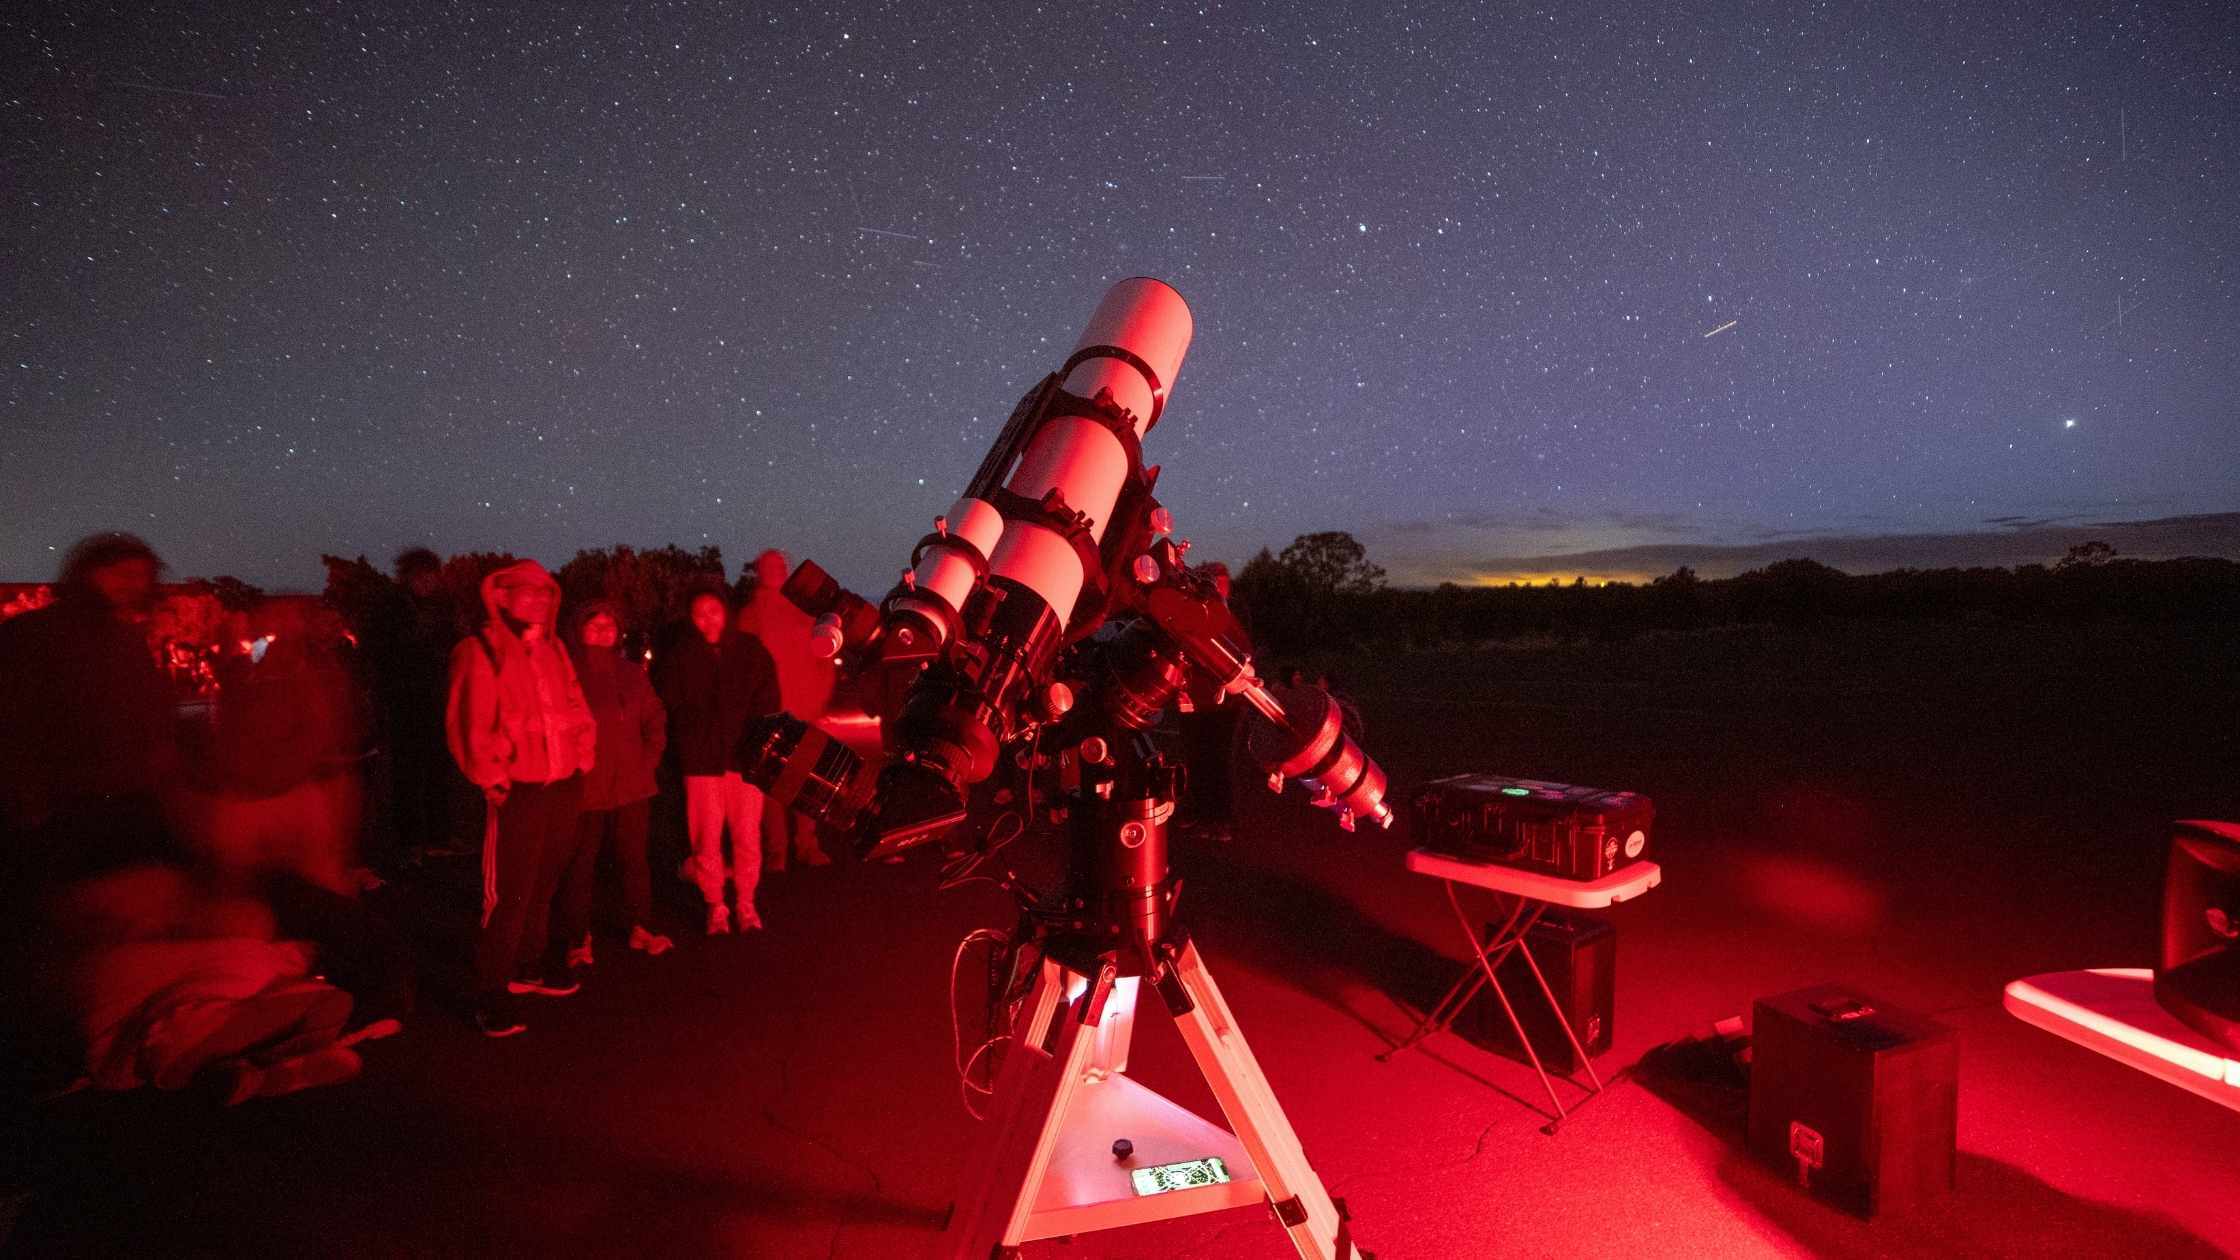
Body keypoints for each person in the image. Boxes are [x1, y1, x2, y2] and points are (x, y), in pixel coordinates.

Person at [445, 560, 595, 1038]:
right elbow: (469, 720)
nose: (538, 599)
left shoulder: (554, 649)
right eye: (526, 592)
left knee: (544, 882)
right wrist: (491, 776)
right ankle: (488, 992)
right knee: (506, 894)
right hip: (519, 790)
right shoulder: (480, 650)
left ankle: (528, 966)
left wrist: (581, 758)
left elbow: (575, 706)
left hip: (561, 783)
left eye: (545, 592)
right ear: (501, 596)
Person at [0, 533, 179, 874]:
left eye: (141, 576)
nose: (134, 585)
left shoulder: (127, 640)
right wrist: (25, 791)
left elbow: (151, 710)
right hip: (60, 801)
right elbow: (11, 717)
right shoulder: (31, 634)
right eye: (122, 574)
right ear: (88, 573)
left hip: (126, 797)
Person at [656, 590, 778, 935]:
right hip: (701, 764)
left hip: (744, 761)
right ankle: (715, 905)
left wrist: (758, 746)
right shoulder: (681, 656)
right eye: (699, 614)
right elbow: (669, 707)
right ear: (690, 619)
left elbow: (768, 703)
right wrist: (687, 744)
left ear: (725, 613)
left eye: (713, 611)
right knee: (705, 838)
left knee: (747, 836)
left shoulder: (750, 651)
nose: (707, 619)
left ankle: (746, 904)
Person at [558, 600, 671, 963]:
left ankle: (641, 927)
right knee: (580, 863)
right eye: (595, 625)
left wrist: (648, 762)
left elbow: (655, 719)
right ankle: (578, 938)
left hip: (631, 785)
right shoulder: (564, 672)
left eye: (609, 625)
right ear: (579, 629)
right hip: (584, 786)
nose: (603, 631)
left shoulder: (632, 673)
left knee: (634, 859)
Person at [738, 551, 831, 872]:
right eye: (769, 567)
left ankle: (806, 844)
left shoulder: (802, 610)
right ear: (759, 572)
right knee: (772, 784)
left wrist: (820, 700)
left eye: (780, 567)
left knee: (805, 781)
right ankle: (776, 850)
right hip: (771, 714)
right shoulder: (751, 615)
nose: (776, 571)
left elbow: (823, 658)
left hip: (805, 711)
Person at [374, 548, 463, 867]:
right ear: (408, 577)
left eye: (431, 576)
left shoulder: (442, 609)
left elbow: (453, 646)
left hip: (437, 698)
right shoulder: (391, 609)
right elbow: (383, 654)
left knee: (439, 771)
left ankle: (440, 836)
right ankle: (410, 841)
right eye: (420, 577)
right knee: (407, 776)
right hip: (406, 701)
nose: (427, 582)